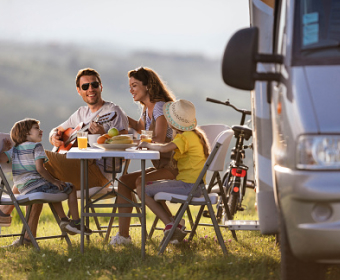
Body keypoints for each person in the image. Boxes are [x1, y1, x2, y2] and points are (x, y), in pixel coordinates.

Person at [0, 68, 129, 246]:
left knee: (39, 156)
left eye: (94, 84)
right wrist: (54, 136)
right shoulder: (80, 113)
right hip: (74, 170)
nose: (90, 89)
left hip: (98, 175)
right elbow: (58, 130)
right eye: (85, 86)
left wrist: (103, 135)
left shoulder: (113, 111)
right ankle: (28, 238)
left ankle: (5, 210)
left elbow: (124, 143)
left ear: (101, 87)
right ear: (79, 90)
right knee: (38, 174)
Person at [110, 67, 178, 246]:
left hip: (173, 168)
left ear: (147, 86)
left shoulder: (160, 107)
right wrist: (121, 116)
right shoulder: (146, 109)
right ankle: (123, 236)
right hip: (161, 167)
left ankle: (172, 224)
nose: (131, 90)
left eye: (134, 85)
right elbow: (141, 129)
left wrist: (140, 140)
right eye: (130, 86)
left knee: (141, 182)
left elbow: (159, 139)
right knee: (124, 181)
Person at [0, 118, 92, 246]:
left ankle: (64, 220)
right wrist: (54, 180)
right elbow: (40, 168)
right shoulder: (37, 146)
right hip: (37, 186)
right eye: (36, 128)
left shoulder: (14, 150)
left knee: (57, 188)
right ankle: (75, 222)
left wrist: (4, 147)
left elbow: (1, 158)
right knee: (70, 187)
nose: (41, 130)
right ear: (26, 133)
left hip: (23, 188)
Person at [136, 99, 210, 243]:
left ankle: (170, 225)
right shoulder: (194, 135)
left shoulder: (184, 138)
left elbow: (164, 148)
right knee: (147, 185)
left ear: (172, 121)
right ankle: (174, 224)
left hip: (189, 186)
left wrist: (147, 144)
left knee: (142, 190)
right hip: (196, 185)